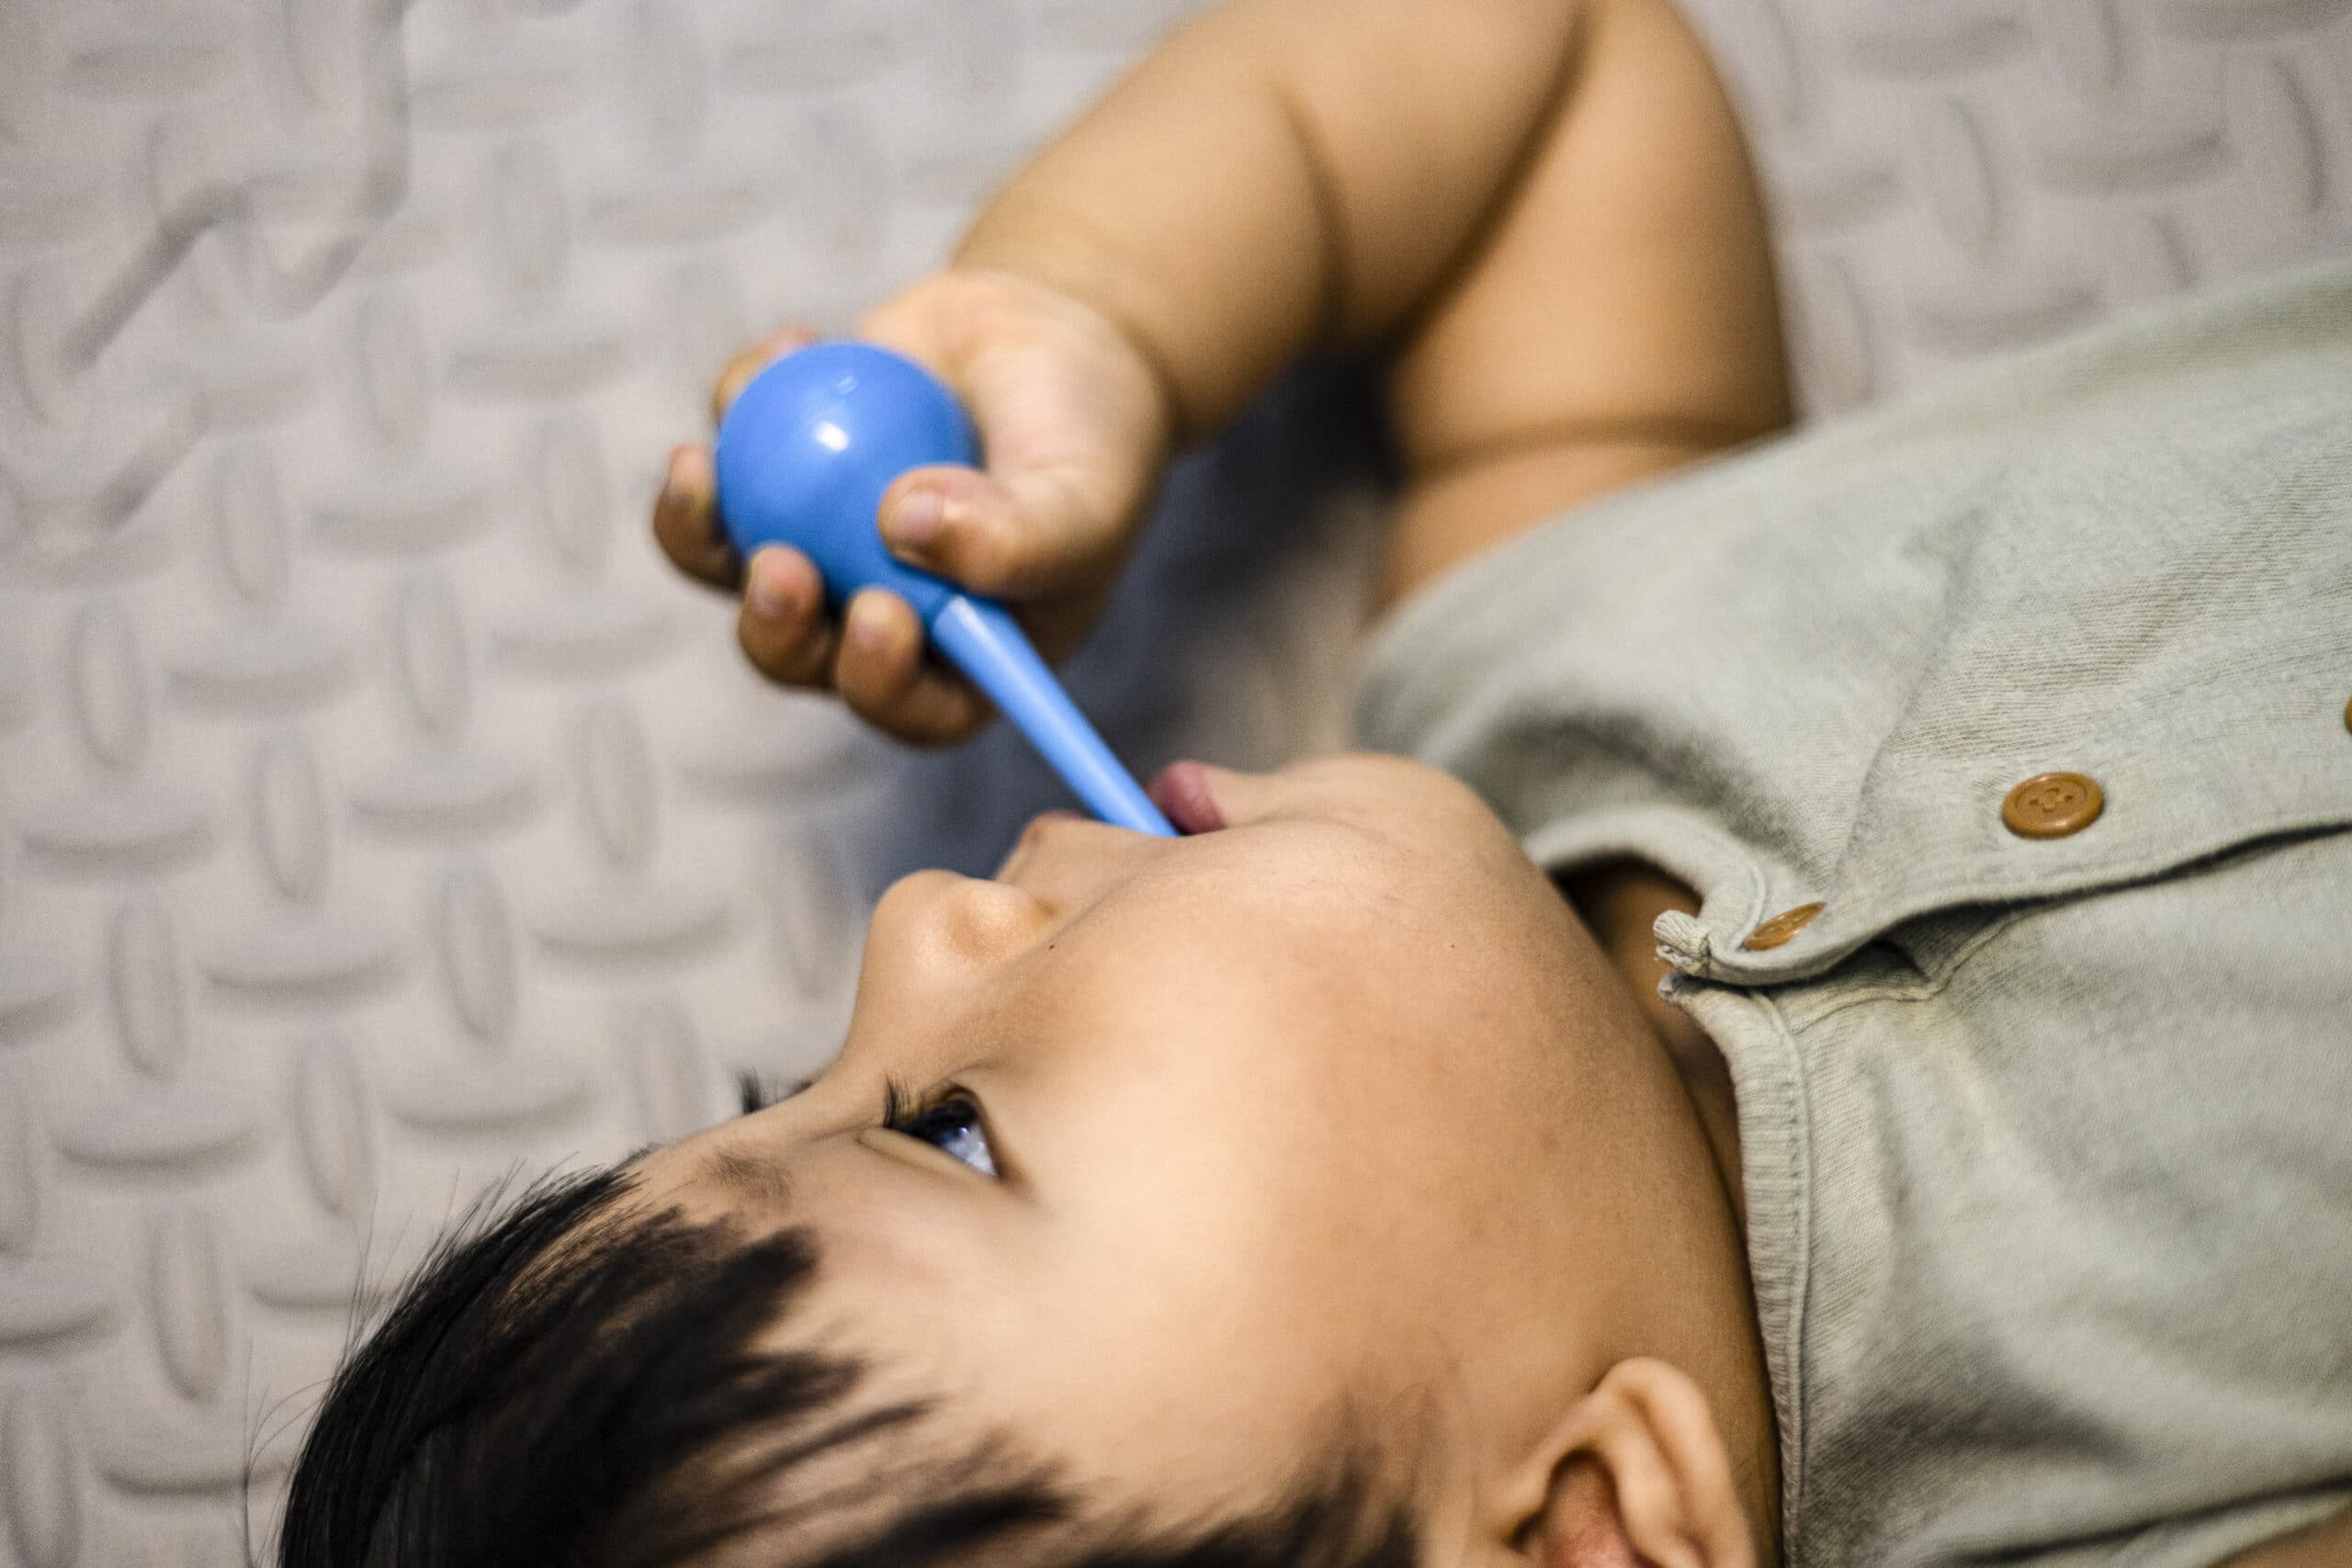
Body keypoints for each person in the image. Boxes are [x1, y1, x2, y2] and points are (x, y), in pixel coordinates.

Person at [275, 0, 2352, 1563]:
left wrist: (1087, 317)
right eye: (951, 1134)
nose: (915, 921)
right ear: (1580, 1528)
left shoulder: (1526, 683)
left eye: (779, 1085)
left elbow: (1544, 76)